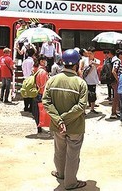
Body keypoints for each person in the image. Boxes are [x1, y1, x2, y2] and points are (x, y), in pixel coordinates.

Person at [42, 49, 88, 190]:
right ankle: (71, 182)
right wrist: (65, 119)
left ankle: (61, 174)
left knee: (59, 151)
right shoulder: (81, 83)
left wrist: (59, 120)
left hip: (57, 126)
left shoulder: (52, 80)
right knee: (73, 154)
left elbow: (46, 102)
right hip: (75, 127)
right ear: (76, 64)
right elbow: (81, 106)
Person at [31, 55, 49, 135]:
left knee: (37, 111)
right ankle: (40, 127)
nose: (46, 62)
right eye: (45, 60)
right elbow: (43, 85)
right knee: (42, 111)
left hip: (36, 93)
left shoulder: (36, 69)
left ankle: (39, 127)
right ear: (42, 61)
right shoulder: (43, 72)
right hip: (41, 94)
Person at [79, 47, 100, 114]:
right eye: (88, 53)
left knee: (93, 94)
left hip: (93, 80)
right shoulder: (83, 60)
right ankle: (84, 110)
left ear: (94, 53)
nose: (89, 55)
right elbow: (80, 68)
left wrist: (92, 63)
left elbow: (98, 65)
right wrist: (81, 76)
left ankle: (92, 109)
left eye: (90, 53)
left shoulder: (96, 60)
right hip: (85, 80)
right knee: (84, 95)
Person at [109, 49, 122, 119]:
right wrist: (118, 80)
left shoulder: (116, 60)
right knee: (116, 97)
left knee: (117, 97)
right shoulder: (117, 61)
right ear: (120, 55)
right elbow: (113, 71)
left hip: (115, 81)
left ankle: (116, 111)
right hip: (115, 82)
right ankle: (113, 113)